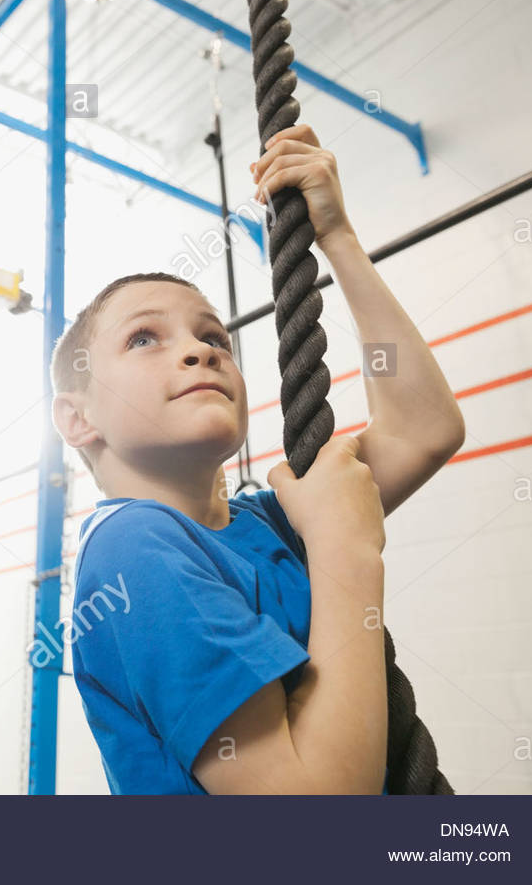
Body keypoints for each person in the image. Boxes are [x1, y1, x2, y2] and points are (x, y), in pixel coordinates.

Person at [49, 124, 466, 794]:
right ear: (77, 418)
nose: (202, 349)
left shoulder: (270, 521)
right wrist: (343, 547)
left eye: (212, 335)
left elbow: (424, 429)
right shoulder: (131, 548)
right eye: (145, 338)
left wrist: (340, 240)